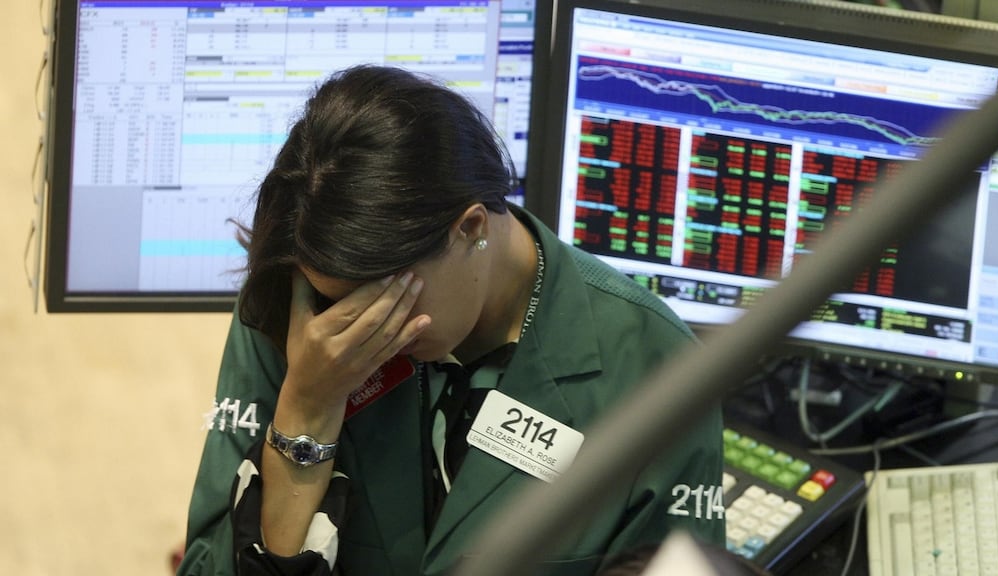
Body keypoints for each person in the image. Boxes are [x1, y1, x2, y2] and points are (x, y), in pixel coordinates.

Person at [177, 64, 724, 576]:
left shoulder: (653, 364)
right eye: (336, 300)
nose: (357, 328)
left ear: (470, 230)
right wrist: (305, 410)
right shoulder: (301, 312)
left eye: (384, 299)